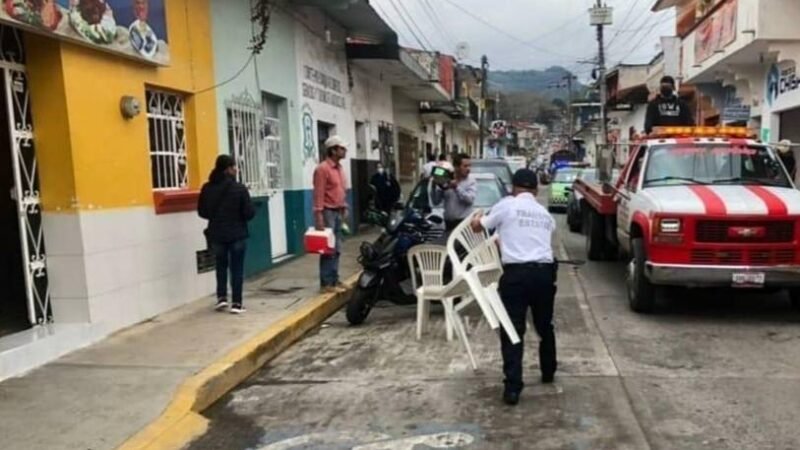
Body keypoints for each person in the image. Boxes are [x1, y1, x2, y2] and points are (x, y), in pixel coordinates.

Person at [470, 169, 557, 406]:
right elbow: (534, 238)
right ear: (536, 191)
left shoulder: (506, 205)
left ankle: (512, 388)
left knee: (513, 330)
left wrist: (476, 218)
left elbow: (479, 228)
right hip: (544, 274)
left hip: (516, 275)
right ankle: (548, 371)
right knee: (544, 324)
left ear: (513, 188)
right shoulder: (544, 213)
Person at [198, 154, 255, 314]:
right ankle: (237, 303)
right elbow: (249, 213)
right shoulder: (239, 188)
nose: (236, 169)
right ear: (228, 169)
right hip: (237, 234)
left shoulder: (207, 188)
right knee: (237, 268)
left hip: (216, 234)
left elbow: (202, 212)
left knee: (221, 266)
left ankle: (221, 298)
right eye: (234, 166)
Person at [313, 135, 350, 293]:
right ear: (333, 150)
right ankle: (326, 282)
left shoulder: (340, 168)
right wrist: (319, 217)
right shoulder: (322, 169)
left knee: (338, 247)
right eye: (341, 148)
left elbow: (341, 189)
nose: (344, 150)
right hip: (327, 211)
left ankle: (335, 278)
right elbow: (319, 194)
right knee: (328, 248)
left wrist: (344, 207)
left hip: (338, 211)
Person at [431, 153, 477, 231]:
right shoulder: (447, 179)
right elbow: (436, 201)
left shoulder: (471, 181)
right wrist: (435, 185)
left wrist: (456, 188)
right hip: (448, 224)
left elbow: (469, 200)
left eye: (469, 166)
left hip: (464, 224)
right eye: (465, 166)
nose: (468, 169)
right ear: (456, 167)